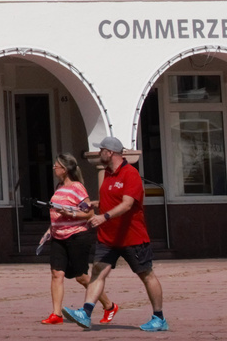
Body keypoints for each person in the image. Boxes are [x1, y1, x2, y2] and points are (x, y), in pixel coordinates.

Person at [64, 137, 166, 332]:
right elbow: (111, 200)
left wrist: (104, 217)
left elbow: (127, 204)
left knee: (146, 274)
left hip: (132, 237)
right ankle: (85, 313)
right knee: (97, 271)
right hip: (108, 238)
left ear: (109, 152)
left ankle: (159, 318)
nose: (99, 153)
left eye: (101, 149)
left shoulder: (130, 174)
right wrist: (94, 205)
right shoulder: (108, 175)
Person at [39, 153, 115, 325]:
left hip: (77, 236)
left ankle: (109, 306)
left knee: (81, 276)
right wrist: (49, 230)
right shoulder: (59, 187)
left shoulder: (77, 188)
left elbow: (89, 213)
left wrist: (70, 213)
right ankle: (56, 314)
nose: (53, 167)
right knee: (56, 274)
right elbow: (56, 213)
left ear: (64, 169)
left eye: (56, 165)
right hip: (58, 236)